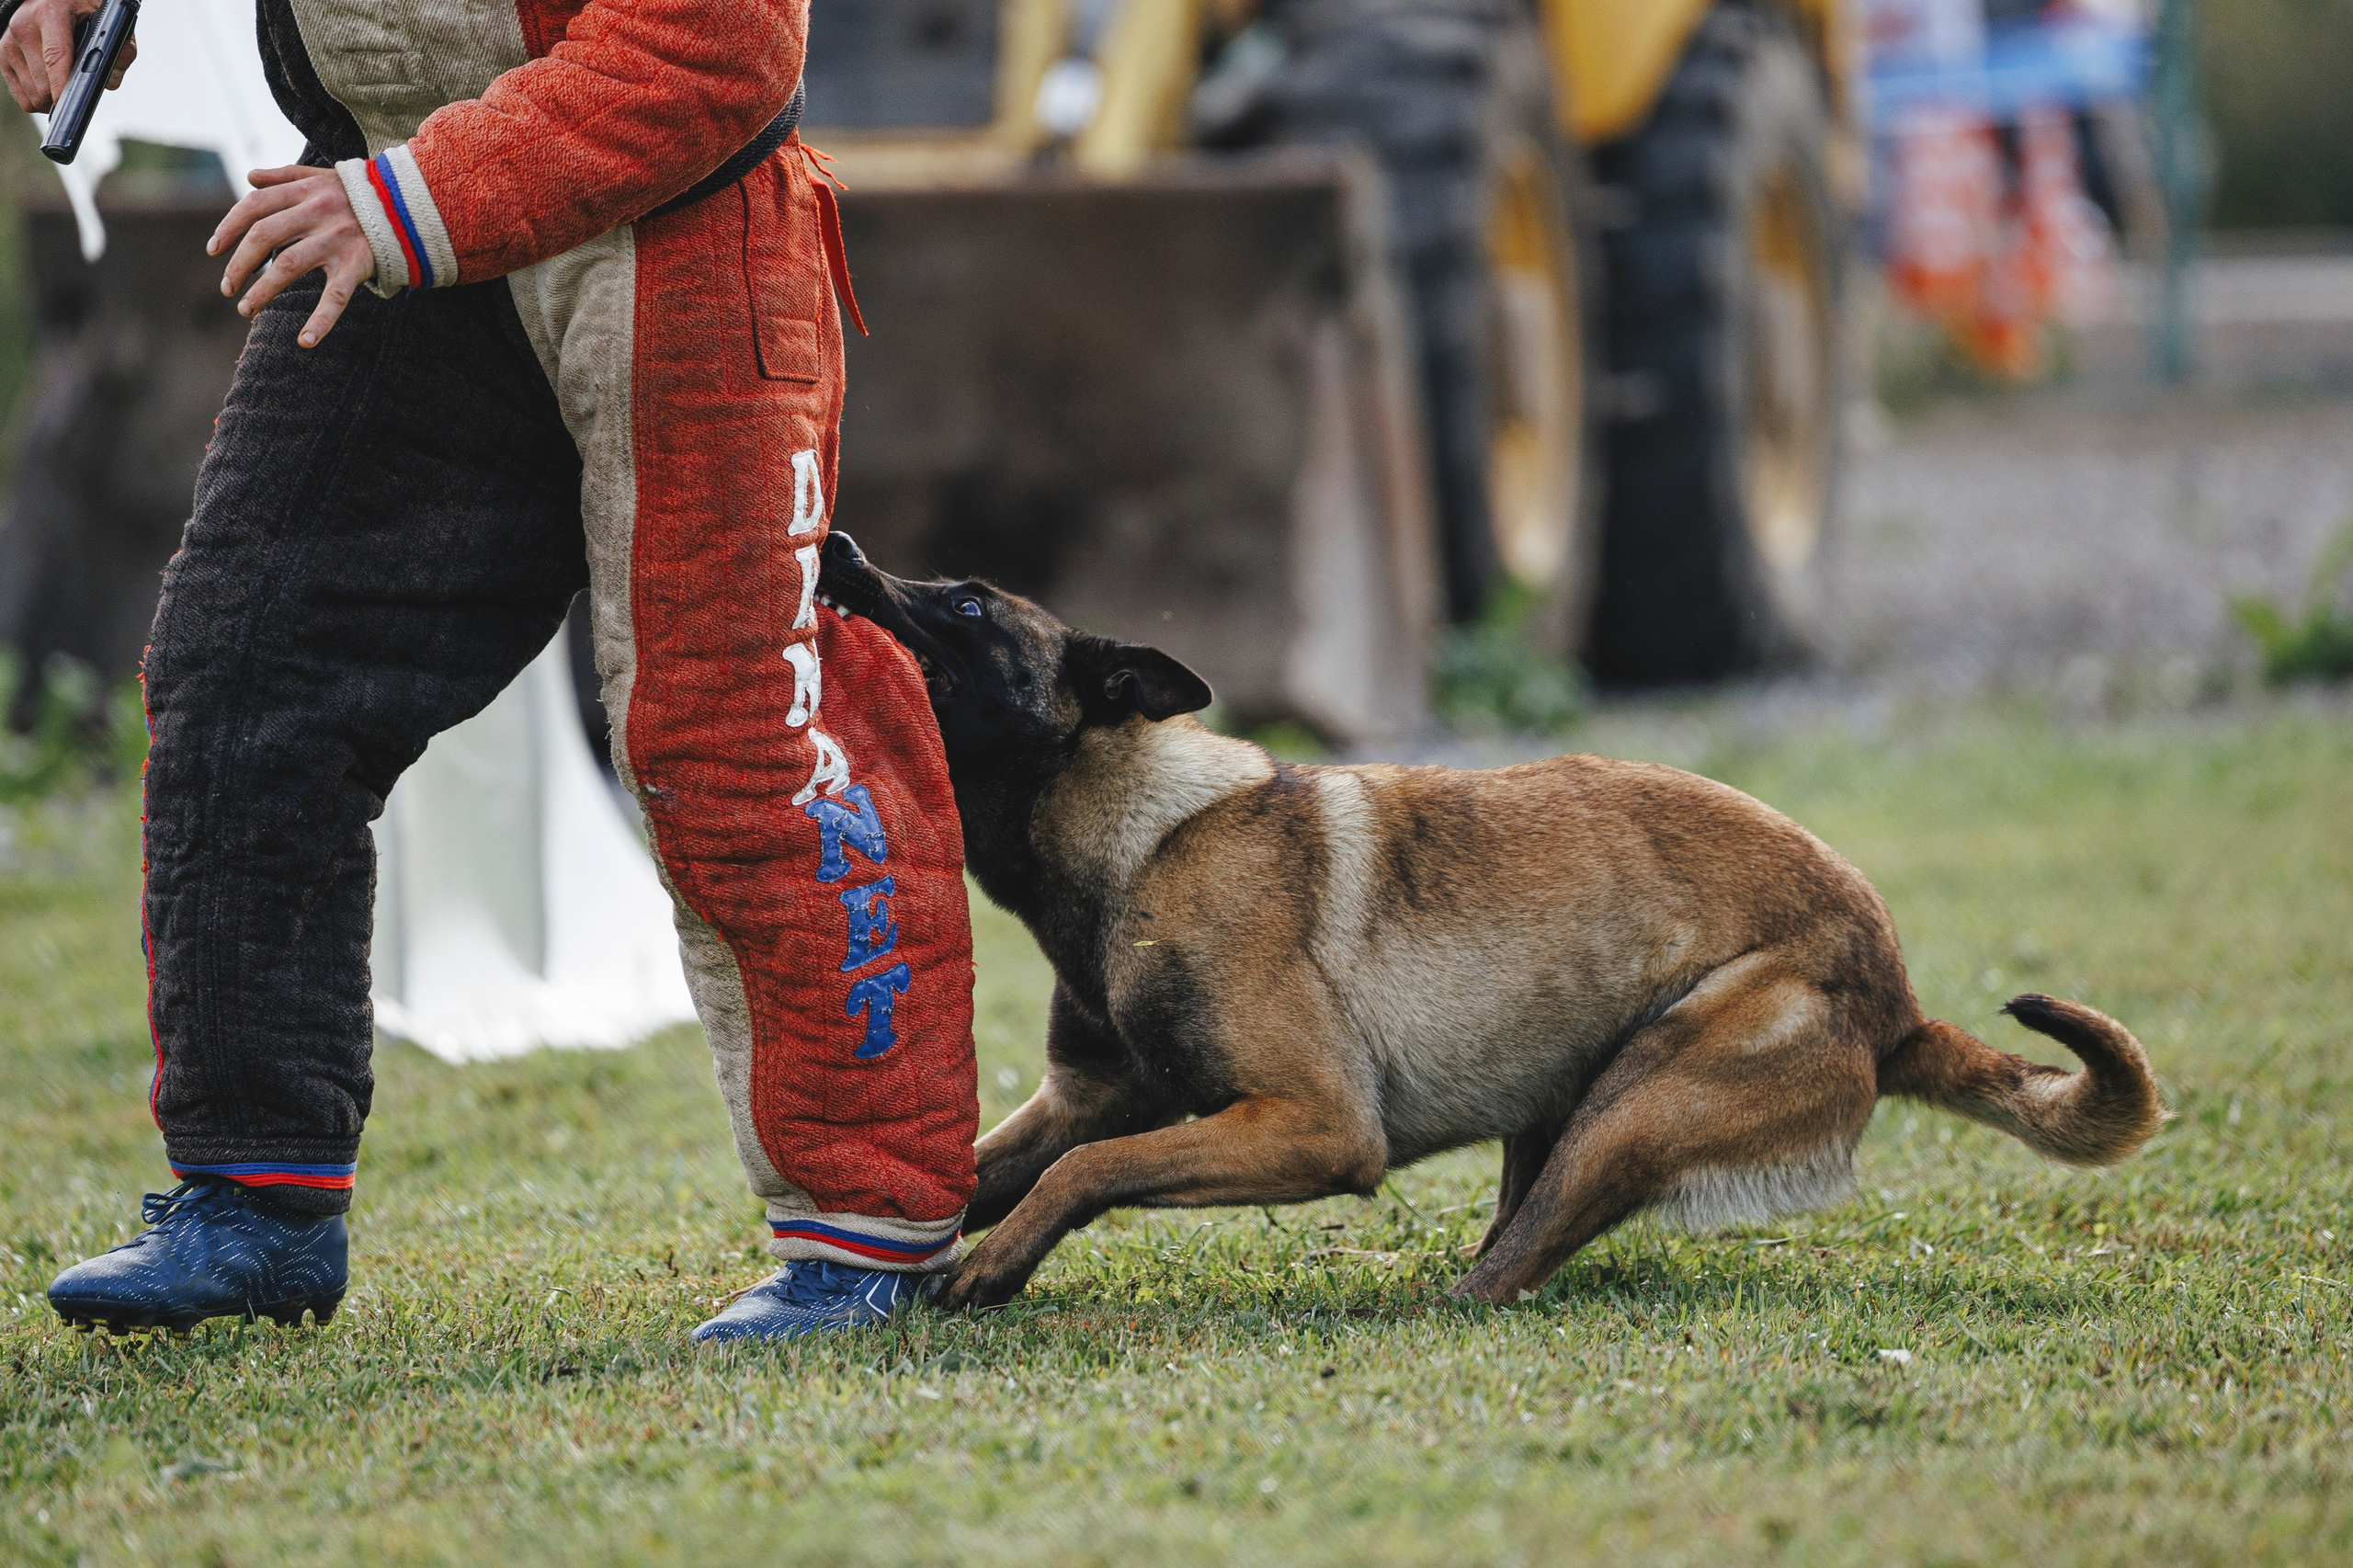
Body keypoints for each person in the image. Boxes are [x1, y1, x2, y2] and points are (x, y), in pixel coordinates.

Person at [11, 0, 981, 1343]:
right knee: (248, 660)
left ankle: (868, 1227)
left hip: (669, 221)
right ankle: (255, 1198)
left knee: (728, 731)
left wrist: (409, 203)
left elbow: (719, 45)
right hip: (407, 201)